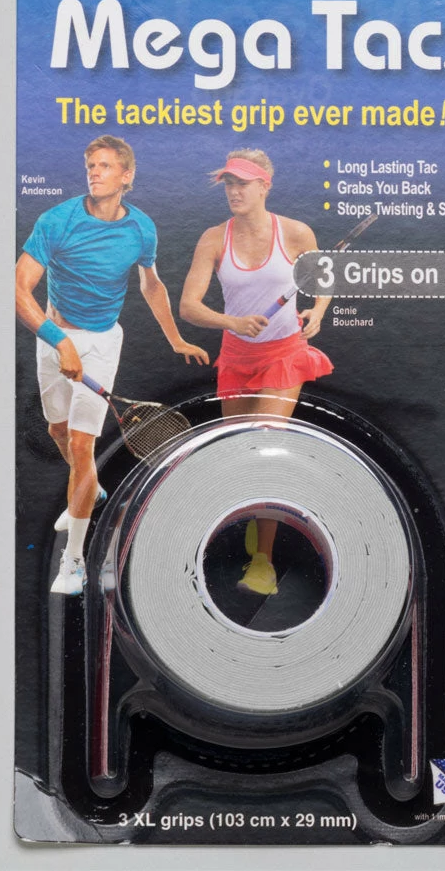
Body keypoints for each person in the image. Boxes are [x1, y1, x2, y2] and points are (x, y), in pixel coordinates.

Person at [16, 135, 209, 595]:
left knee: (81, 445)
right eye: (90, 166)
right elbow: (19, 289)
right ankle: (90, 488)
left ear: (127, 175)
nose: (94, 173)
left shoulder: (141, 229)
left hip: (102, 344)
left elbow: (152, 285)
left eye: (104, 166)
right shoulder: (57, 221)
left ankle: (74, 562)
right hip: (53, 336)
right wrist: (59, 341)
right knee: (57, 432)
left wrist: (176, 338)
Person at [180, 149, 333, 596]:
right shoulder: (213, 238)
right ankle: (249, 524)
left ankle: (263, 562)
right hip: (236, 357)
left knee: (265, 443)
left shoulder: (297, 233)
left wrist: (318, 311)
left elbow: (322, 280)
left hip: (284, 354)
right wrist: (232, 322)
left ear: (265, 186)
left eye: (242, 183)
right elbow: (188, 306)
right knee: (240, 452)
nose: (233, 191)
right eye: (228, 183)